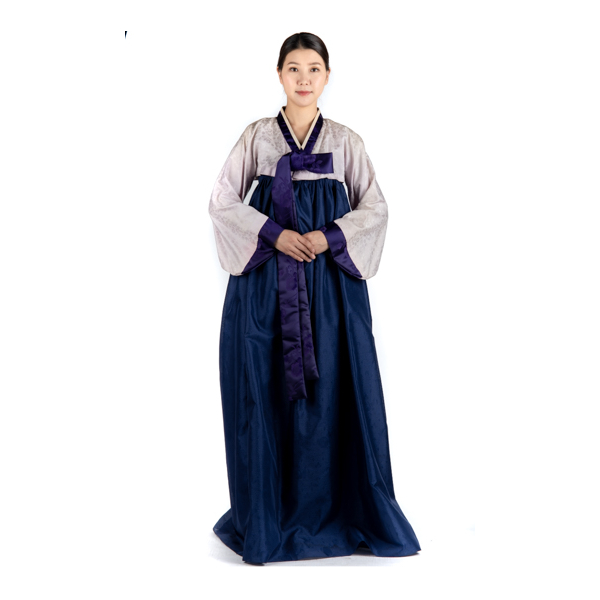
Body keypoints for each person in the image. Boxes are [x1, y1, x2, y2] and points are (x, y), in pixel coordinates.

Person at [208, 32, 421, 564]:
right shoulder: (257, 138)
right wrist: (274, 234)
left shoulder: (346, 142)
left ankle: (343, 509)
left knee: (337, 388)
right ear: (279, 74)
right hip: (265, 287)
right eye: (294, 68)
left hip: (330, 290)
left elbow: (375, 208)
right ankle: (268, 514)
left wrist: (328, 237)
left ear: (327, 76)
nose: (304, 79)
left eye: (314, 69)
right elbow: (221, 200)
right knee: (265, 387)